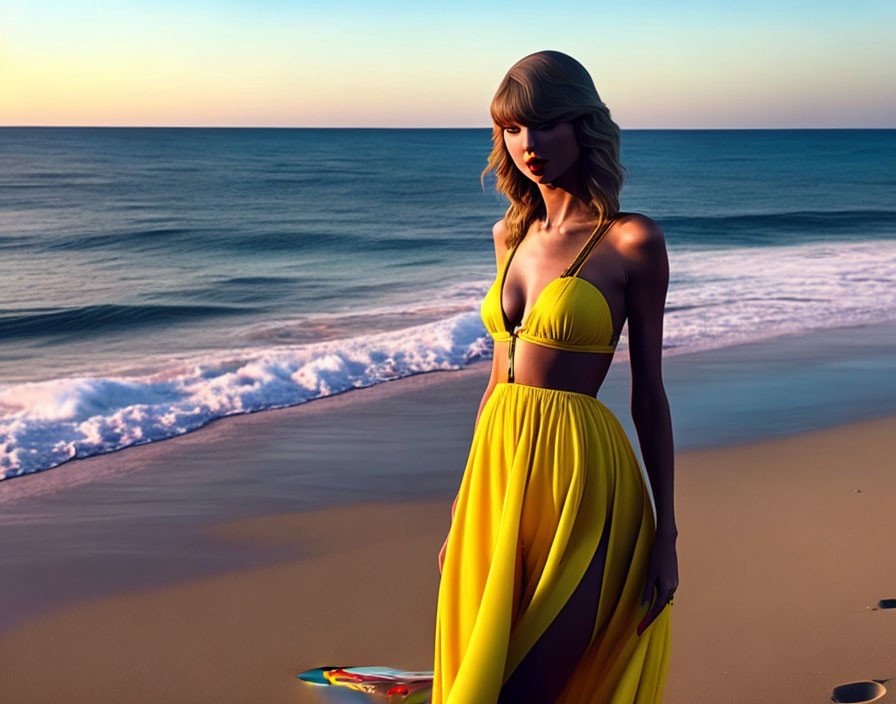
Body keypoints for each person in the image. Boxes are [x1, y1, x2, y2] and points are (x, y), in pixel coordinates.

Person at [432, 50, 678, 703]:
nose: (528, 144)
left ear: (583, 126)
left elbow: (649, 398)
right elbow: (497, 381)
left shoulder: (631, 241)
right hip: (498, 473)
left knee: (530, 687)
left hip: (583, 480)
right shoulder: (507, 235)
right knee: (486, 670)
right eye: (512, 128)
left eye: (544, 124)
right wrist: (463, 504)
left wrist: (667, 534)